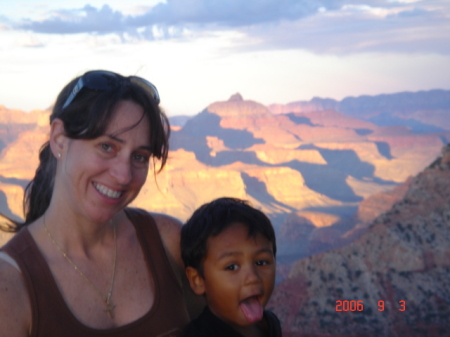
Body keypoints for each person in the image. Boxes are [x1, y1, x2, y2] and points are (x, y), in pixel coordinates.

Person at [0, 70, 203, 337]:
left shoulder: (169, 243)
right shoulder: (10, 286)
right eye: (107, 147)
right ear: (59, 139)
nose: (124, 175)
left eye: (140, 157)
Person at [180, 197, 282, 337]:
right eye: (232, 267)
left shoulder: (269, 325)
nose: (252, 277)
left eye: (261, 262)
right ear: (198, 280)